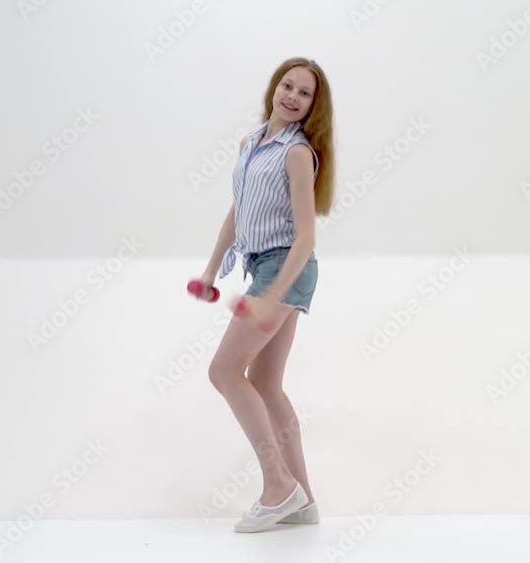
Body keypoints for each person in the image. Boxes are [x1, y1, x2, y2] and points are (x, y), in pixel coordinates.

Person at [192, 57, 335, 533]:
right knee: (266, 382)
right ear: (274, 87)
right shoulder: (251, 144)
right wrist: (211, 270)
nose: (292, 96)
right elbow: (239, 211)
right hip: (264, 267)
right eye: (287, 85)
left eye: (305, 93)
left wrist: (272, 296)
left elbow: (306, 238)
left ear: (313, 107)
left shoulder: (297, 154)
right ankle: (303, 499)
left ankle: (278, 485)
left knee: (224, 371)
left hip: (286, 269)